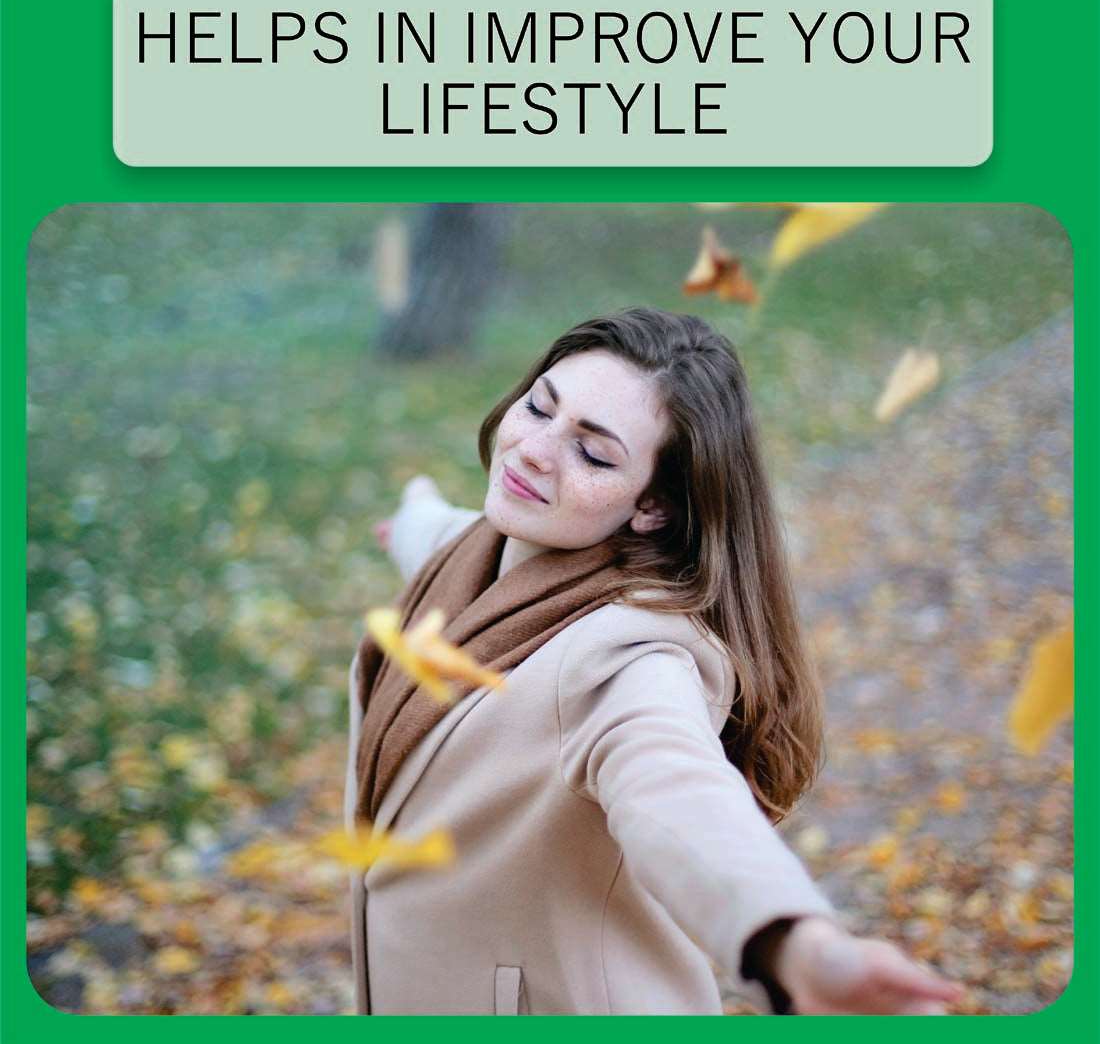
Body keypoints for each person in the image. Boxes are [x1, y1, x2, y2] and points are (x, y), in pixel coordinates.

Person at [345, 307, 964, 1015]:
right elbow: (441, 535)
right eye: (540, 407)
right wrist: (413, 513)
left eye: (594, 453)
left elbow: (676, 791)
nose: (534, 451)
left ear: (653, 509)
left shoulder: (629, 654)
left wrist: (795, 944)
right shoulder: (470, 552)